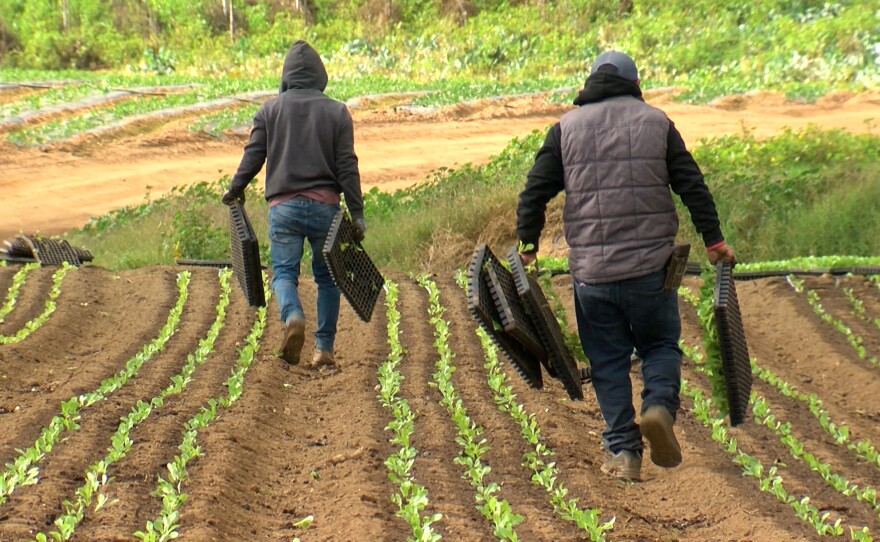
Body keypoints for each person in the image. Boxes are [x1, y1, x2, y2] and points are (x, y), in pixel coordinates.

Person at [516, 51, 735, 481]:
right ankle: (657, 407)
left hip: (592, 276)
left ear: (591, 81)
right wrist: (714, 240)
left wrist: (528, 247)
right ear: (635, 83)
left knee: (608, 360)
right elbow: (692, 185)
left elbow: (533, 192)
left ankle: (624, 453)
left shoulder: (565, 129)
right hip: (650, 270)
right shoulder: (657, 123)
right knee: (659, 345)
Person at [222, 40, 365, 368]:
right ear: (320, 75)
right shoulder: (337, 111)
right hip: (325, 209)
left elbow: (253, 156)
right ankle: (323, 349)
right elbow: (347, 165)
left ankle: (293, 316)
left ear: (286, 76)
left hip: (283, 208)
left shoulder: (269, 111)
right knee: (328, 278)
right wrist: (356, 213)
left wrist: (235, 189)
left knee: (284, 272)